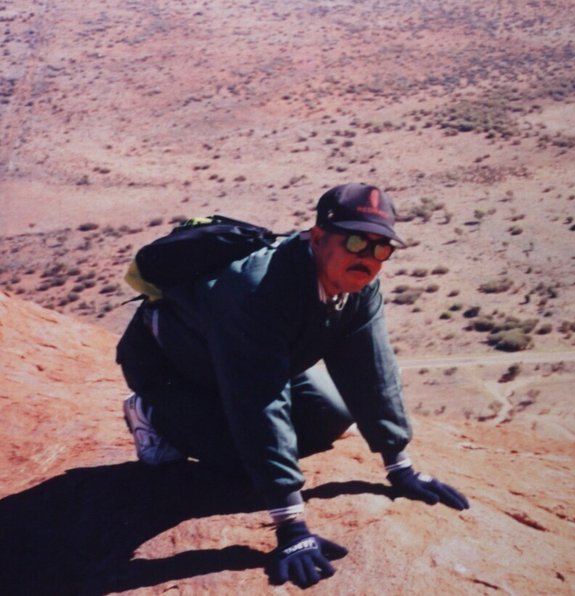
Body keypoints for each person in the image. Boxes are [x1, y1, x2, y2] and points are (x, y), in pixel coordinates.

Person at [115, 183, 468, 588]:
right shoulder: (257, 289)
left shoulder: (360, 286)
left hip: (252, 360)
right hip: (177, 366)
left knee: (330, 417)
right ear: (317, 238)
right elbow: (261, 402)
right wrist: (291, 526)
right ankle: (150, 412)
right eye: (355, 240)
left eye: (381, 248)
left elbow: (372, 369)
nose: (368, 257)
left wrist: (399, 464)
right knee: (239, 462)